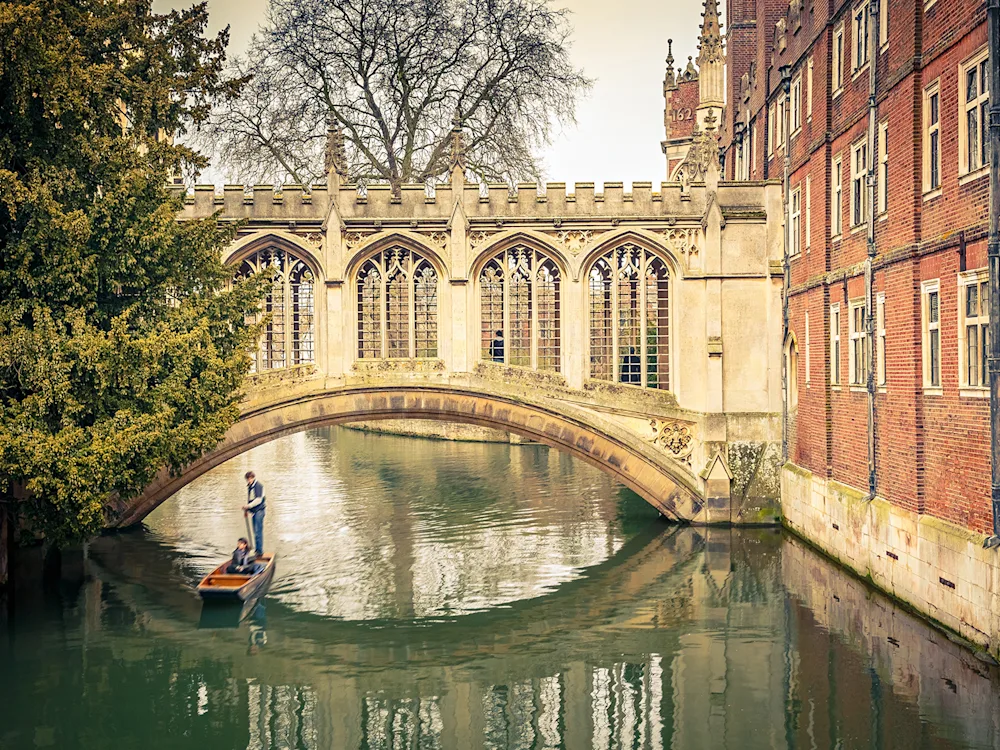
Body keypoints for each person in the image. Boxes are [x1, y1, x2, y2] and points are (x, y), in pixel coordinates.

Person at [242, 470, 266, 556]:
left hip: (259, 511)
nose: (249, 481)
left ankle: (259, 551)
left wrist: (248, 506)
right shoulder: (250, 486)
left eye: (250, 479)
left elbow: (258, 500)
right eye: (247, 479)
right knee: (255, 532)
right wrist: (247, 509)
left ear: (253, 478)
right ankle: (257, 550)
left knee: (258, 531)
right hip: (254, 512)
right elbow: (251, 499)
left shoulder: (258, 486)